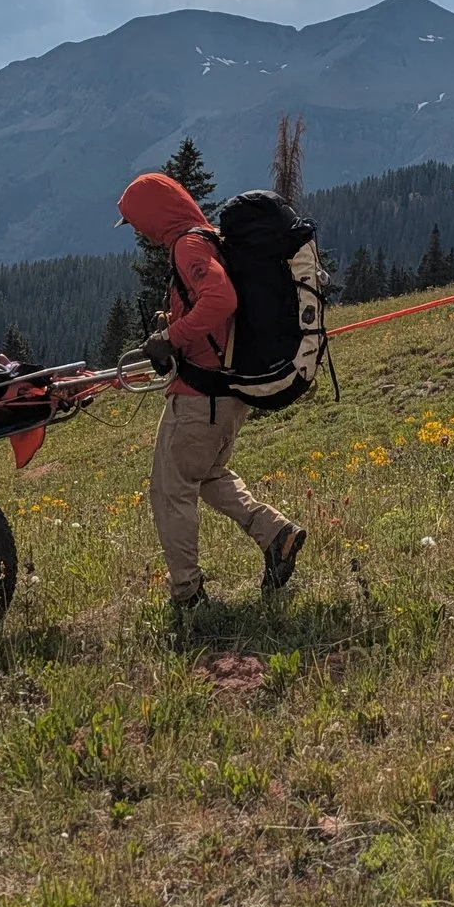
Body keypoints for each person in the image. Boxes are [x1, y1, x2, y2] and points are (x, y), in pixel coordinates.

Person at [117, 173, 306, 610]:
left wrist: (173, 337)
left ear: (154, 214)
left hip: (201, 398)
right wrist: (178, 322)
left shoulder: (188, 246)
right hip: (226, 395)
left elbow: (221, 300)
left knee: (171, 490)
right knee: (205, 476)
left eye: (137, 222)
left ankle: (188, 594)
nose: (139, 233)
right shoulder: (209, 238)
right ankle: (276, 534)